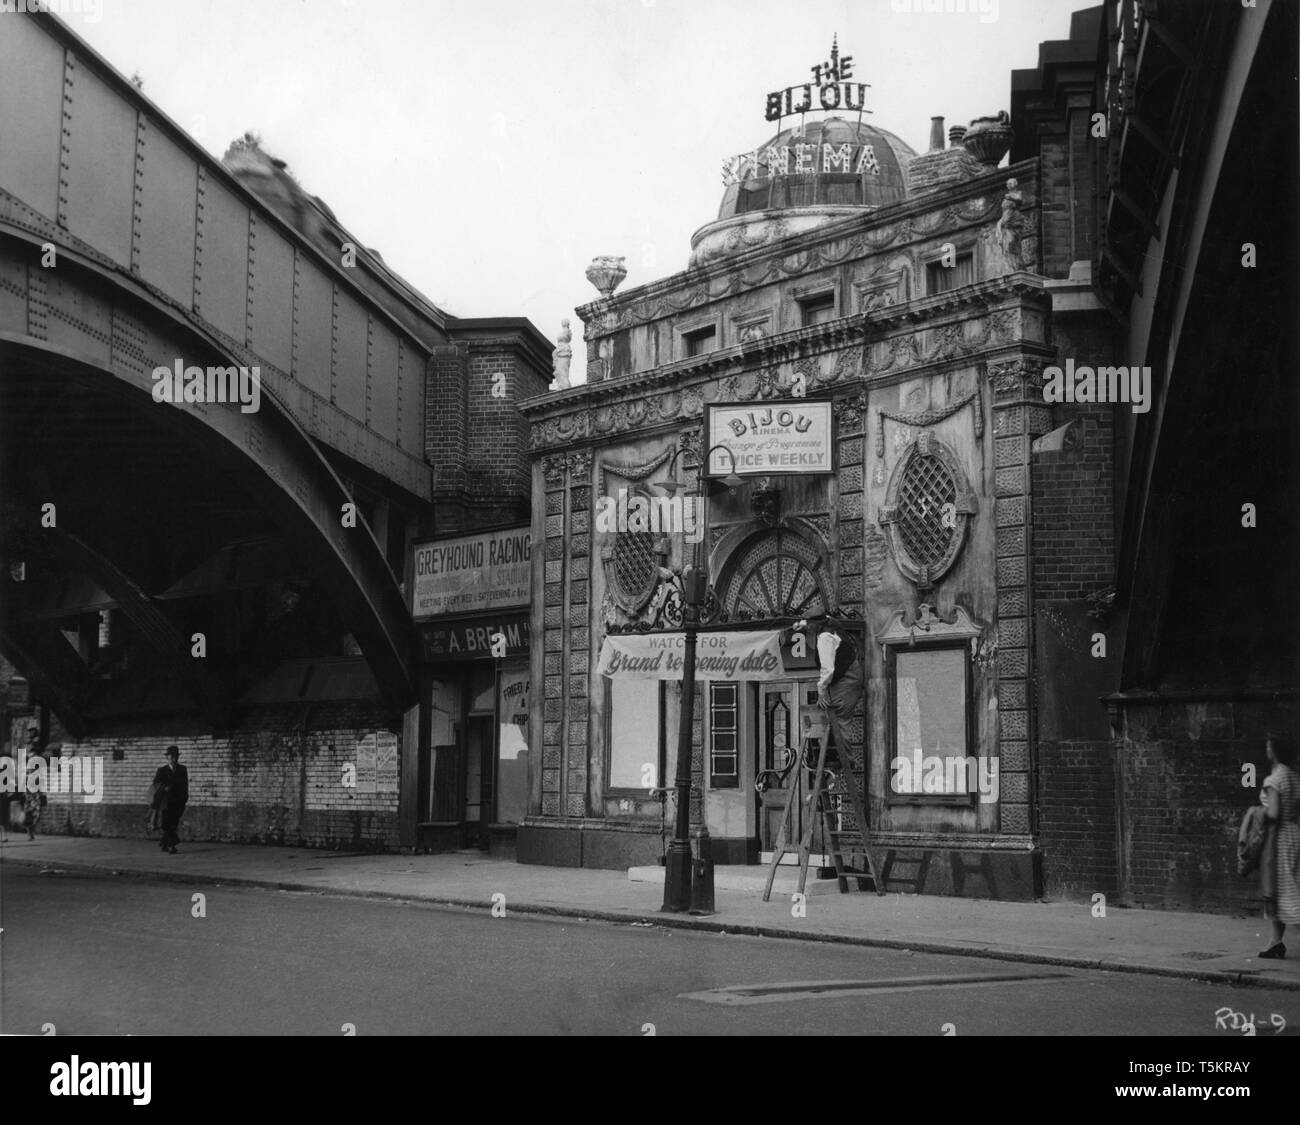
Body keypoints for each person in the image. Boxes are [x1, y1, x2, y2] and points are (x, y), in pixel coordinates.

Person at [792, 613, 863, 763]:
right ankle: (828, 754)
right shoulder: (828, 622)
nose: (809, 627)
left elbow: (828, 669)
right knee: (828, 713)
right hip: (847, 675)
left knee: (838, 715)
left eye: (810, 625)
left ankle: (844, 758)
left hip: (847, 678)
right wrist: (800, 624)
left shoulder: (825, 637)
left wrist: (821, 691)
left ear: (816, 624)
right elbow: (810, 621)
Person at [1259, 731, 1300, 959]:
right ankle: (1275, 942)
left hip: (1279, 838)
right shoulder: (1294, 777)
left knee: (1284, 890)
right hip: (1295, 833)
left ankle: (1276, 941)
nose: (1266, 751)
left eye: (1267, 747)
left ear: (1274, 751)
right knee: (1279, 889)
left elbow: (1273, 813)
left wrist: (1257, 814)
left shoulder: (1274, 779)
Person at [151, 745, 189, 855]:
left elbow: (185, 785)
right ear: (167, 758)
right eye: (171, 757)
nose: (174, 759)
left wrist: (185, 798)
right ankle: (171, 845)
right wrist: (164, 787)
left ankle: (164, 843)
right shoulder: (162, 770)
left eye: (176, 756)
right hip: (165, 802)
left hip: (178, 801)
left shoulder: (182, 769)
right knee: (166, 824)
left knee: (173, 823)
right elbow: (155, 785)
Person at [21, 726, 47, 842]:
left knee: (36, 809)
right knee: (29, 809)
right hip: (30, 784)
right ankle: (29, 831)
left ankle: (30, 830)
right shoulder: (28, 750)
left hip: (35, 784)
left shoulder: (37, 748)